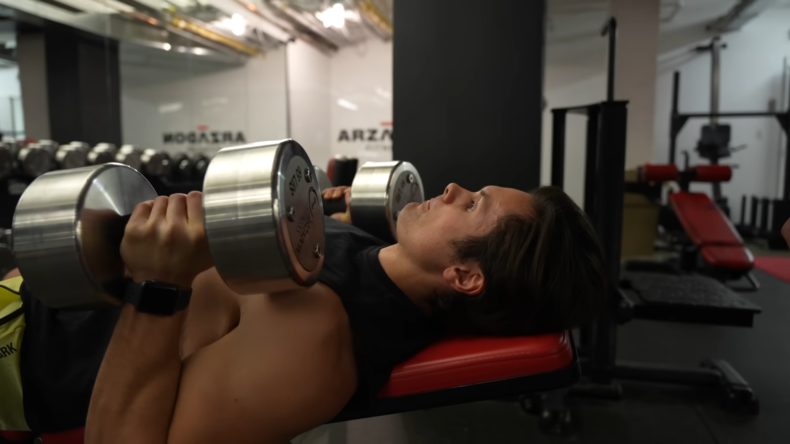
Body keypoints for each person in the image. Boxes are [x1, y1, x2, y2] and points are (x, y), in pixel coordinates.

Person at [0, 183, 607, 444]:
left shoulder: (316, 344)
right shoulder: (371, 257)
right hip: (38, 288)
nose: (450, 190)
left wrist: (160, 282)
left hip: (19, 352)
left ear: (465, 277)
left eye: (471, 205)